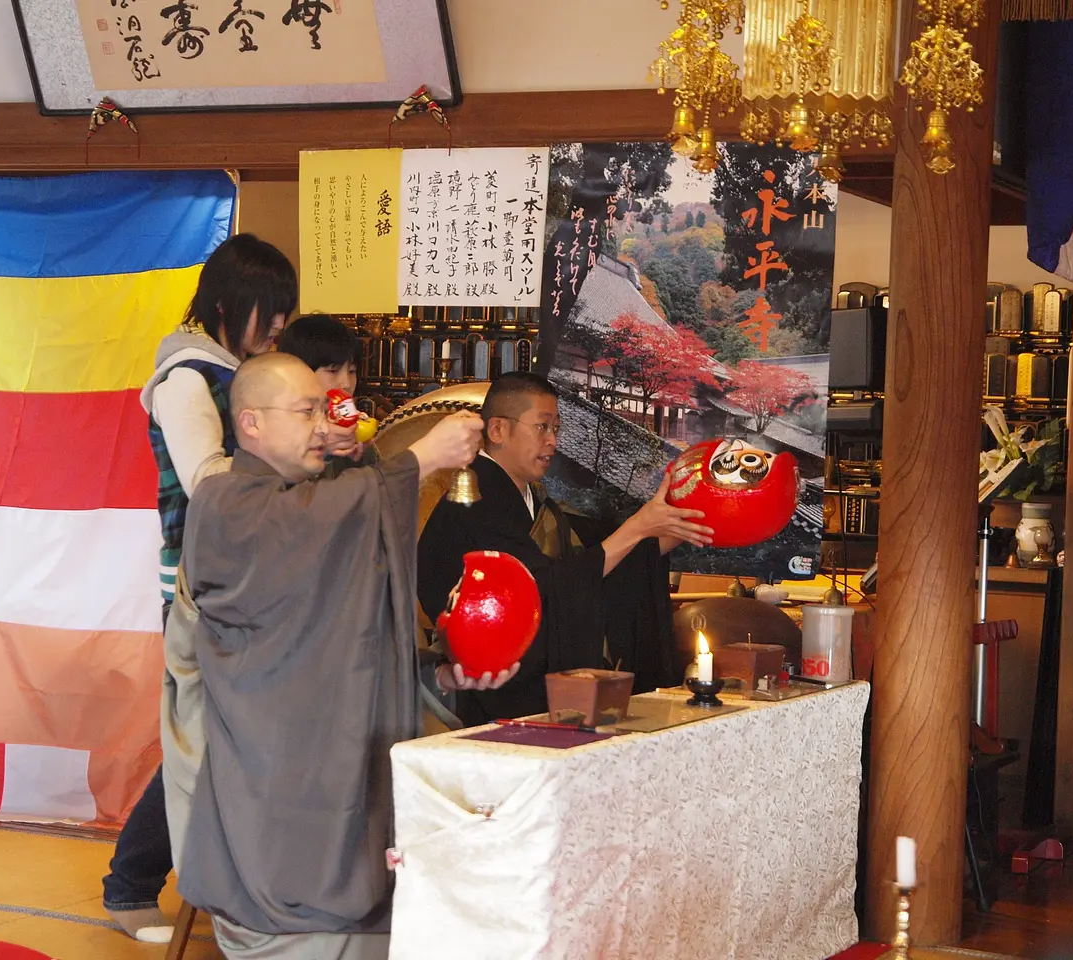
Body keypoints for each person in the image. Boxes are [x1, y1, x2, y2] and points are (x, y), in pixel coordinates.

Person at [161, 352, 515, 959]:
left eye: (325, 412)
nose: (324, 427)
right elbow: (309, 531)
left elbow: (351, 633)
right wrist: (421, 459)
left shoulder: (317, 502)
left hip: (350, 800)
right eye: (305, 412)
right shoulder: (227, 505)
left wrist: (440, 674)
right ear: (251, 423)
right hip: (274, 806)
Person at [102, 233, 297, 943]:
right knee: (207, 742)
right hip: (203, 584)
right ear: (225, 303)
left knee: (216, 740)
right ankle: (130, 886)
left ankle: (161, 885)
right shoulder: (190, 375)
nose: (278, 325)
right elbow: (207, 486)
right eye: (268, 311)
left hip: (233, 578)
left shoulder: (228, 369)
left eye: (285, 311)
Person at [417, 371, 716, 725]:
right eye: (542, 427)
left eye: (556, 429)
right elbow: (541, 588)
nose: (552, 441)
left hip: (532, 668)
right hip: (492, 682)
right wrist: (638, 527)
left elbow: (583, 565)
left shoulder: (532, 499)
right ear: (497, 430)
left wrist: (659, 535)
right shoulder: (477, 501)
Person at [277, 314, 375, 474]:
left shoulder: (351, 423)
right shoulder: (276, 424)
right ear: (299, 370)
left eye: (352, 371)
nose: (346, 384)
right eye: (332, 371)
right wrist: (319, 447)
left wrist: (362, 456)